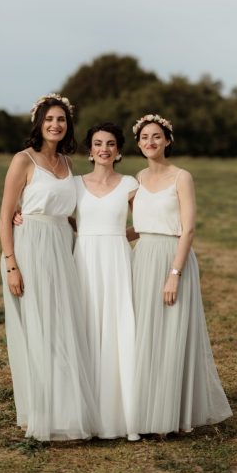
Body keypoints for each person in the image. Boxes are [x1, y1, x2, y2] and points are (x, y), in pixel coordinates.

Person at [0, 93, 98, 441]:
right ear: (39, 123)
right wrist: (12, 264)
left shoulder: (69, 165)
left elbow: (69, 213)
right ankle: (37, 411)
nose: (55, 125)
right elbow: (4, 215)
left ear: (67, 125)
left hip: (60, 247)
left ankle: (64, 408)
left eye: (61, 120)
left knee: (62, 326)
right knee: (38, 328)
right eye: (49, 119)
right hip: (29, 248)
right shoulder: (23, 160)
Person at [130, 114, 232, 435]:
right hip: (142, 257)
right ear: (138, 144)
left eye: (156, 136)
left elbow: (188, 230)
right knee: (145, 333)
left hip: (174, 258)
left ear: (168, 141)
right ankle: (146, 409)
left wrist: (174, 273)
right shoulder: (137, 179)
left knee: (172, 332)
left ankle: (172, 414)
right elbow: (139, 226)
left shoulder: (181, 177)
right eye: (145, 137)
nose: (150, 142)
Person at [73, 122, 140, 441]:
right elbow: (61, 218)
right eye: (98, 143)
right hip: (84, 260)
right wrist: (19, 215)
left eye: (110, 143)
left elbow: (146, 220)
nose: (104, 148)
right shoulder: (74, 184)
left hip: (116, 260)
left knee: (117, 329)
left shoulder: (130, 184)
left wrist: (120, 236)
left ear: (118, 150)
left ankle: (121, 413)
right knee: (85, 326)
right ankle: (84, 411)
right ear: (89, 150)